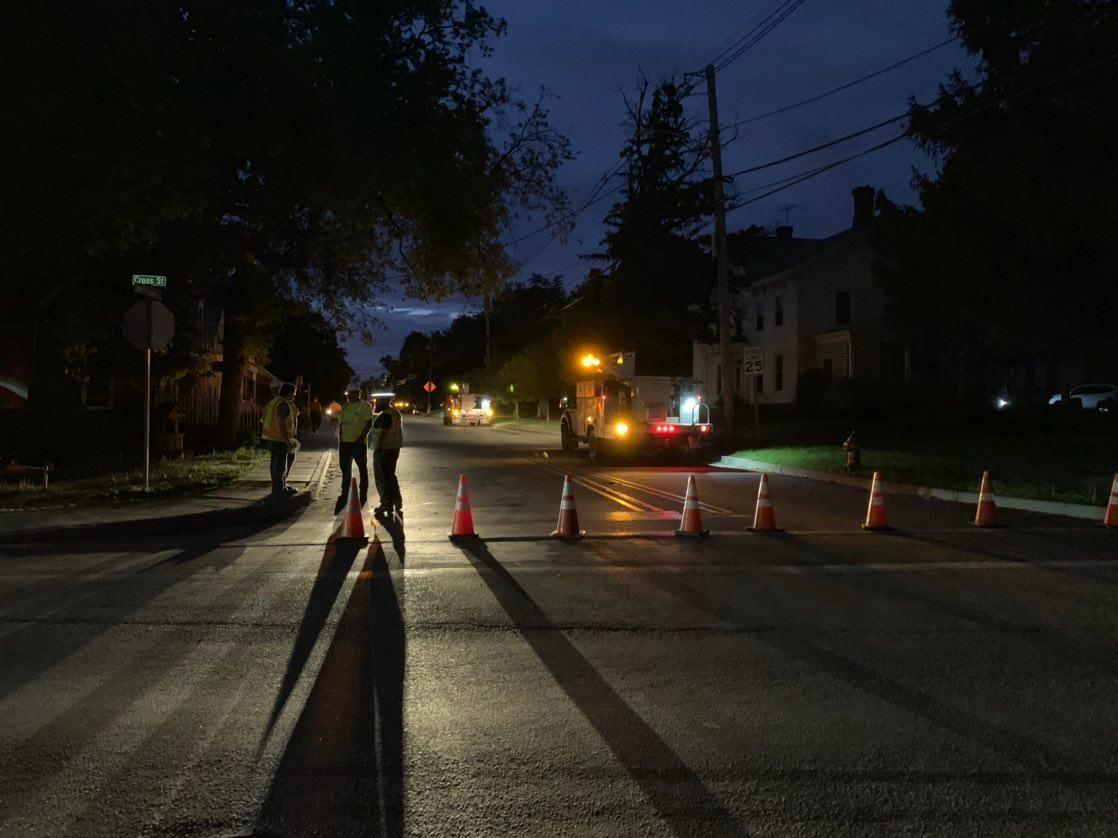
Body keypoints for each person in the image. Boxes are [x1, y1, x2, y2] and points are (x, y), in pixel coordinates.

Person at [334, 388, 373, 515]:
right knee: (345, 469)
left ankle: (363, 492)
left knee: (362, 467)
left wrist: (361, 439)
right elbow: (341, 423)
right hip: (344, 443)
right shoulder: (346, 406)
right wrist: (340, 439)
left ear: (358, 394)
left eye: (352, 394)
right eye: (349, 394)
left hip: (358, 443)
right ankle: (344, 493)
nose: (349, 396)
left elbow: (369, 423)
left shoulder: (365, 406)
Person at [261, 382, 299, 498]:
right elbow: (281, 424)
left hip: (270, 438)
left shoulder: (273, 402)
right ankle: (279, 491)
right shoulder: (283, 404)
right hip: (279, 439)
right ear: (289, 393)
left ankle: (280, 487)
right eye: (294, 392)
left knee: (275, 464)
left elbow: (264, 419)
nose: (295, 395)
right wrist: (287, 440)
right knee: (280, 466)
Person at [370, 394, 404, 517]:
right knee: (390, 475)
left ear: (384, 402)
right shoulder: (395, 413)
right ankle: (396, 500)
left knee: (382, 477)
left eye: (377, 402)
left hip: (383, 449)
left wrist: (376, 449)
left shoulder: (385, 416)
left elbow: (380, 435)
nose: (375, 404)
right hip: (394, 448)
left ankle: (386, 503)